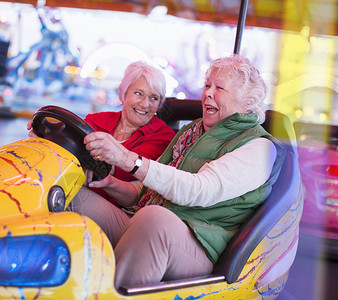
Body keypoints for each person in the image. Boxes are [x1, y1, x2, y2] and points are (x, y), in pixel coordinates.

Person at [68, 54, 287, 289]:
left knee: (154, 219)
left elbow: (198, 190)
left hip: (197, 245)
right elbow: (147, 190)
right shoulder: (193, 130)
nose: (208, 93)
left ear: (247, 101)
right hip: (142, 220)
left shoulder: (259, 148)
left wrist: (126, 159)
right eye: (207, 85)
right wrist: (110, 183)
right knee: (72, 196)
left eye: (219, 87)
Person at [28, 61, 175, 206]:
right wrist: (46, 138)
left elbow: (124, 169)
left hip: (116, 208)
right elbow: (70, 140)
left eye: (154, 98)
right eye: (138, 93)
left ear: (159, 103)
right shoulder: (96, 120)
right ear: (122, 94)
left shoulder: (162, 136)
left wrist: (86, 160)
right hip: (73, 189)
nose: (145, 104)